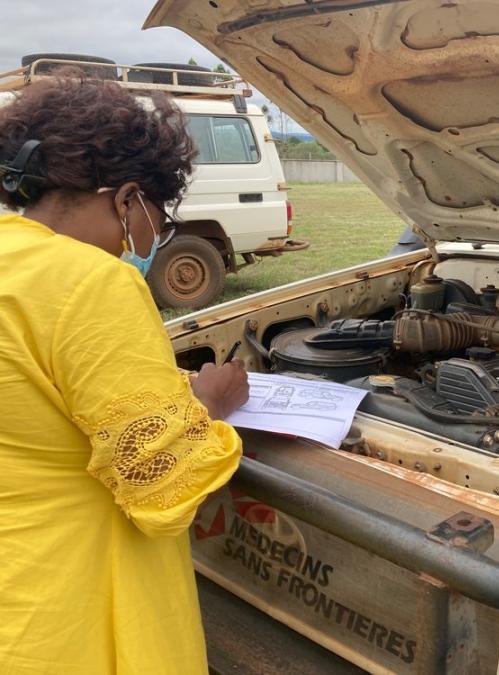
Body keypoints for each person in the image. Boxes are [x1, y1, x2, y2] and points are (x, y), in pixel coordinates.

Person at [0, 72, 249, 673]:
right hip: (73, 603)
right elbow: (158, 483)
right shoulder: (91, 280)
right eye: (156, 223)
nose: (144, 241)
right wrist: (210, 399)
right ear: (127, 197)